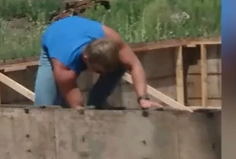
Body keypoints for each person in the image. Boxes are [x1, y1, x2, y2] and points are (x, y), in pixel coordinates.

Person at [33, 15, 164, 110]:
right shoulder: (63, 65)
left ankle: (96, 104)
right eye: (99, 71)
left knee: (120, 66)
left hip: (78, 29)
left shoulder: (113, 40)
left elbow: (134, 65)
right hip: (56, 36)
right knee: (44, 107)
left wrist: (143, 99)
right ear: (86, 60)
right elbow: (77, 108)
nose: (102, 74)